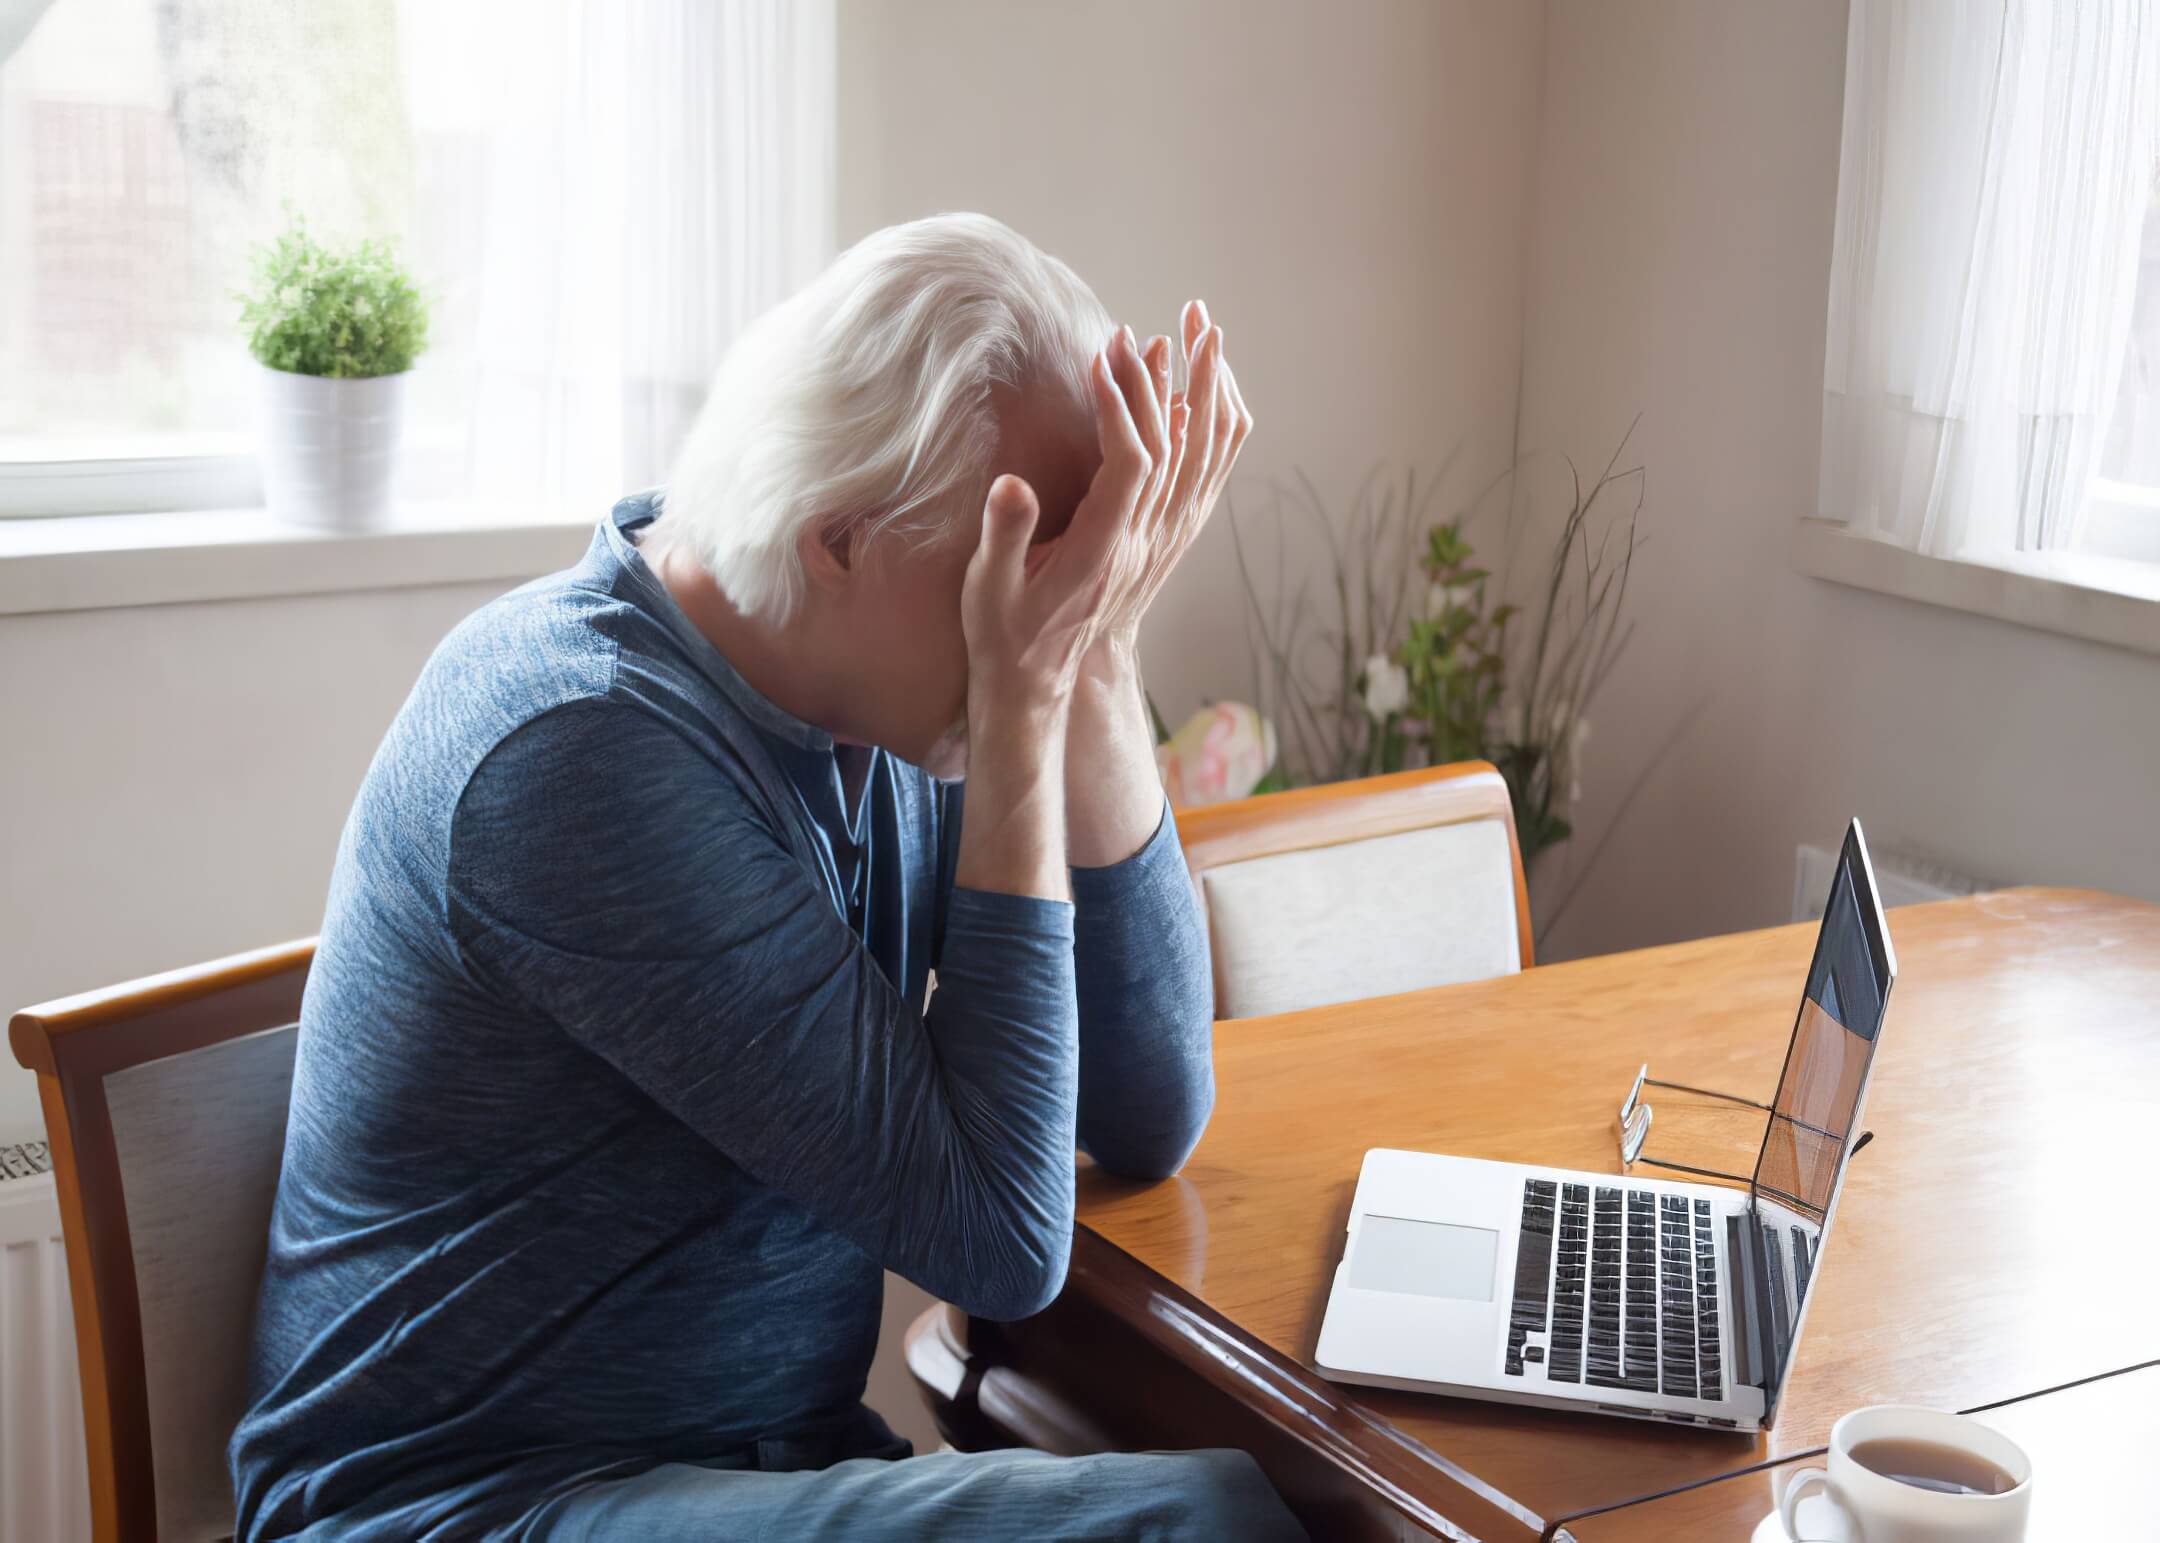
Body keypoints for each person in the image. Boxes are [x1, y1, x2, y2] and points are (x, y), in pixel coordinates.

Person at [229, 212, 1303, 1541]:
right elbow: (998, 1245)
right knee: (1201, 1524)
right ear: (837, 539)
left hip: (761, 1466)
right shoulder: (574, 751)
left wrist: (1102, 650)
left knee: (1253, 1499)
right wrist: (1025, 691)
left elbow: (1150, 1110)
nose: (1045, 605)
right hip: (467, 1501)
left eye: (1072, 564)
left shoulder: (885, 694)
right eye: (1022, 561)